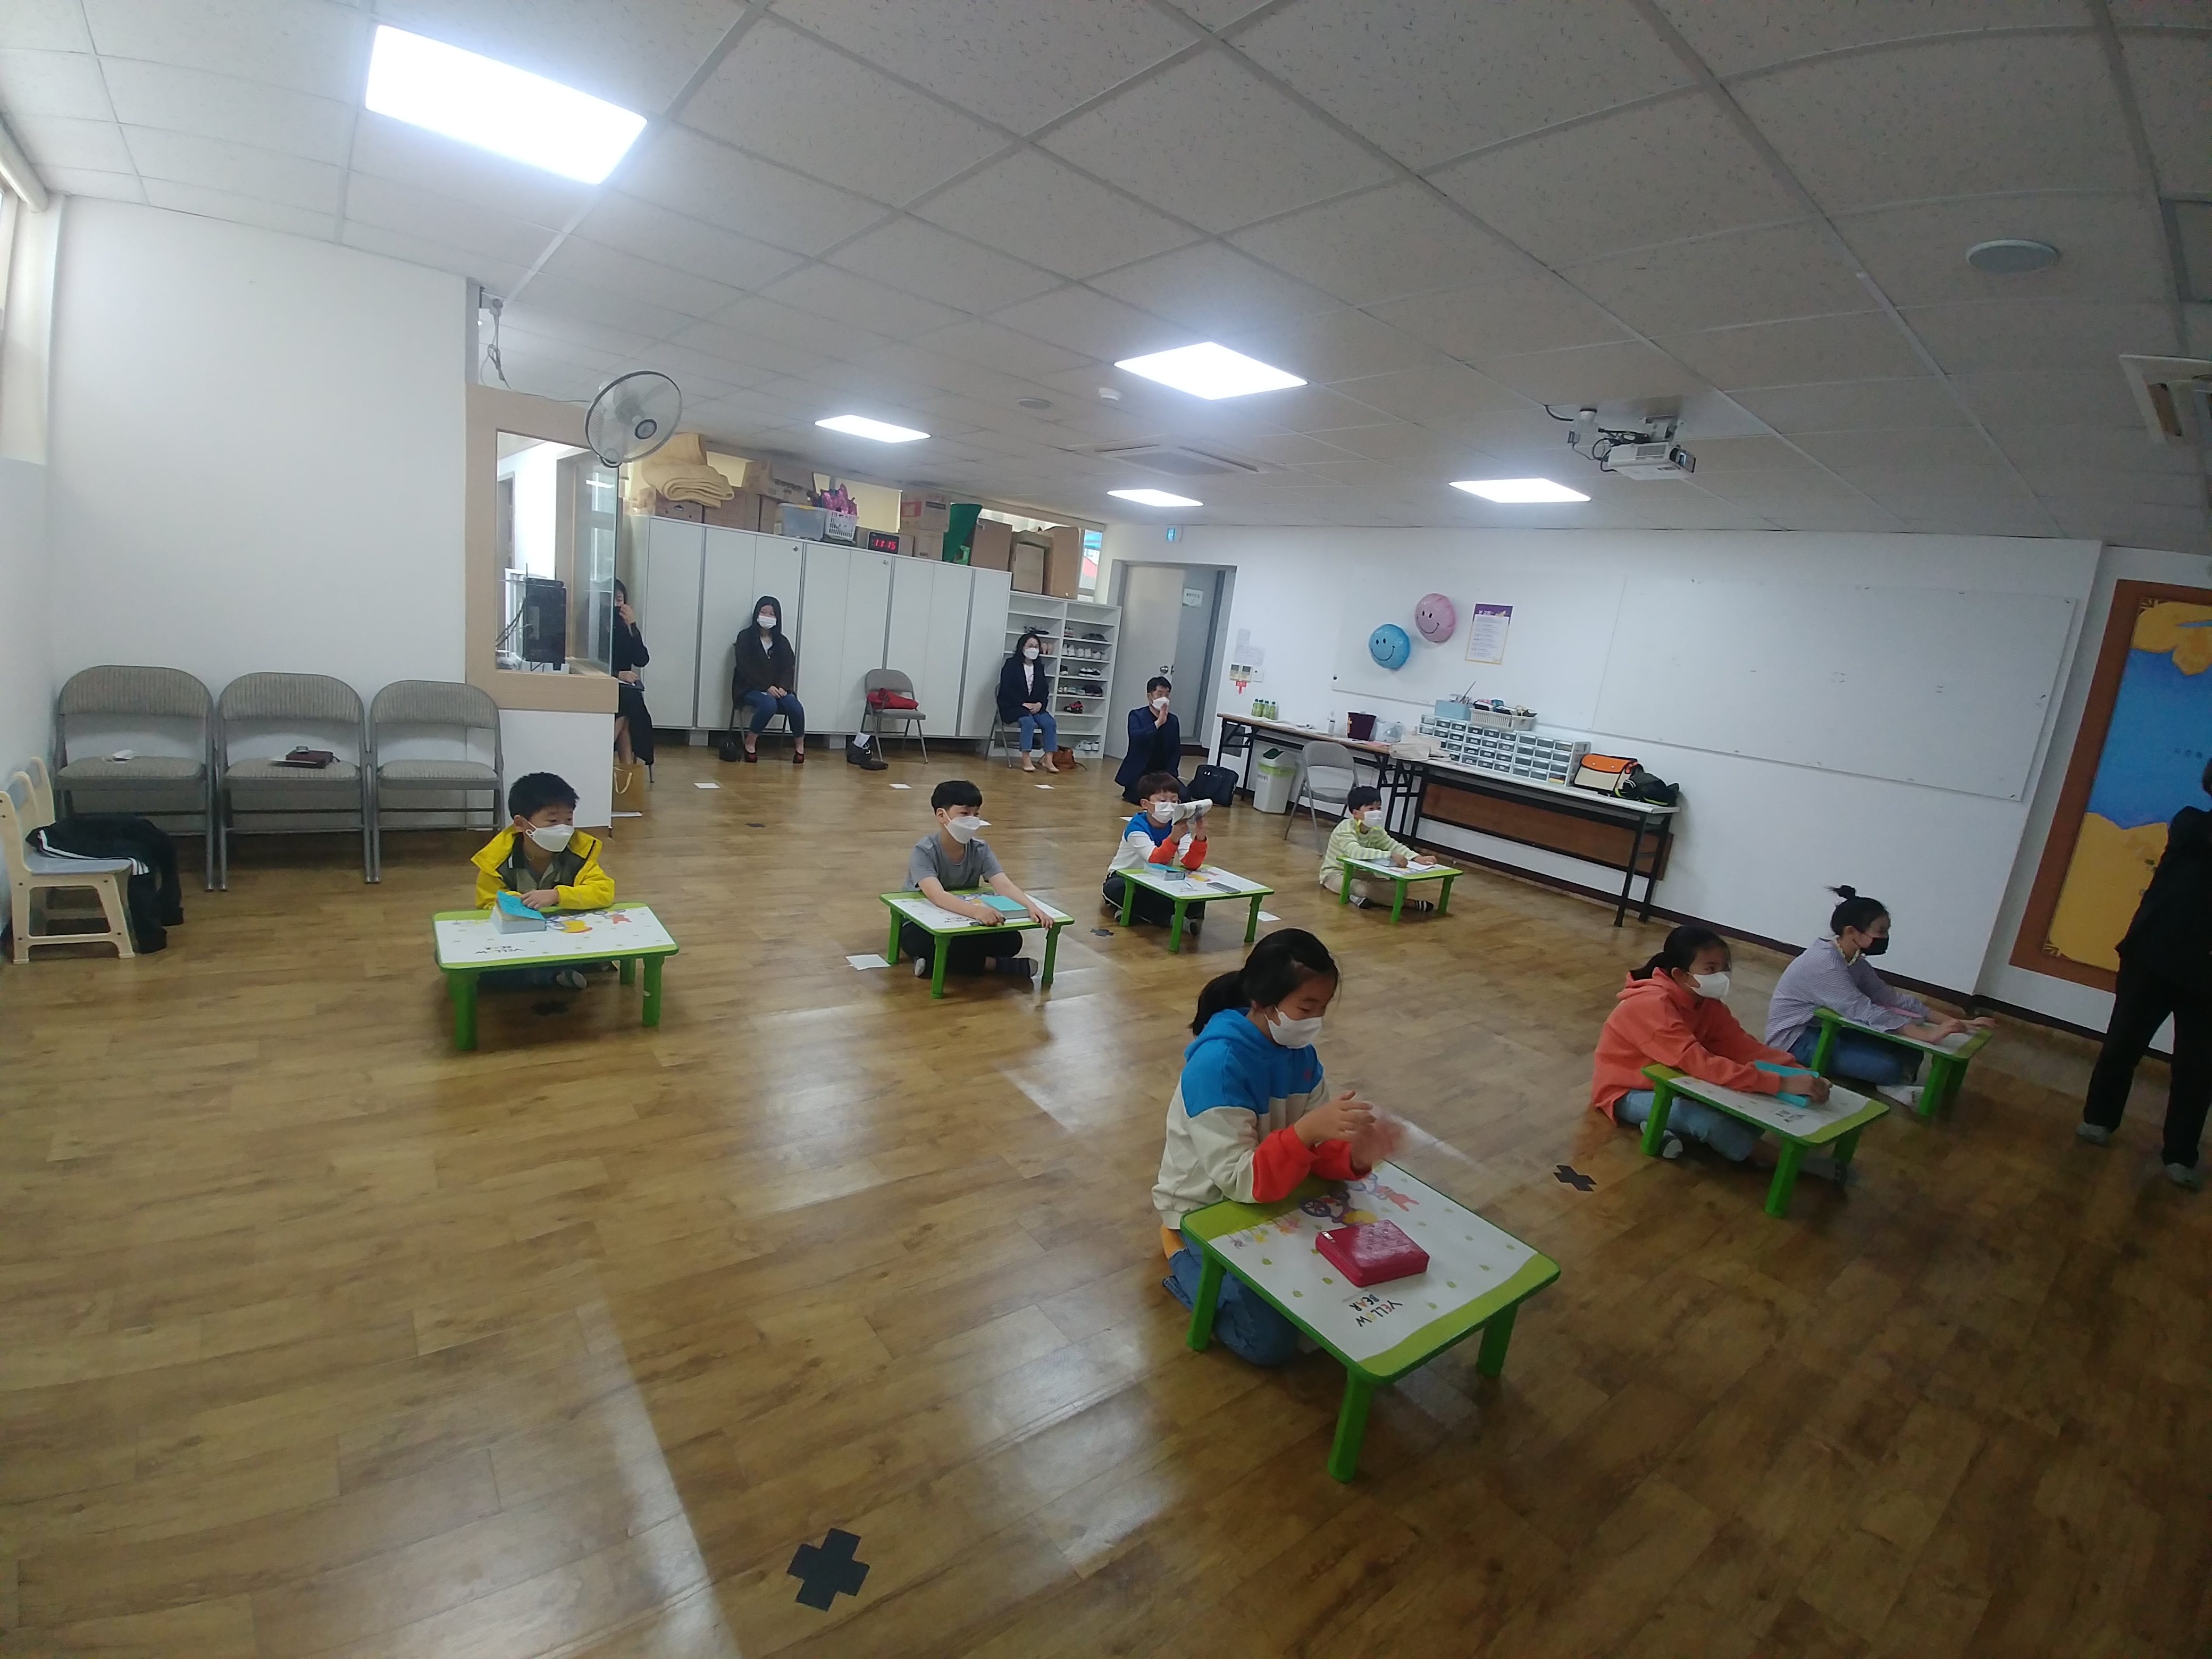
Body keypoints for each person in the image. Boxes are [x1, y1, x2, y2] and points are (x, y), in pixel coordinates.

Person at [1153, 929, 1403, 1366]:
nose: (1315, 1021)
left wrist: (1354, 1155)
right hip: (1207, 1206)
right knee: (1267, 1341)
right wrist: (1306, 1132)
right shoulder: (1217, 1066)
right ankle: (1177, 1249)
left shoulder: (1299, 1055)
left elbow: (1317, 1148)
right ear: (1262, 1001)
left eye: (1323, 1009)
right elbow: (1239, 1180)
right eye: (1307, 1008)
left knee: (1349, 1284)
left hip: (1275, 1191)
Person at [1591, 925, 1840, 1170]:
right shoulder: (1651, 1006)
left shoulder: (1706, 1002)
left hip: (1678, 1080)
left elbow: (1744, 1047)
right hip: (1629, 1090)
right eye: (1710, 969)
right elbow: (1700, 1063)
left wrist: (1800, 1072)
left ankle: (1663, 1128)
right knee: (1707, 1120)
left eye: (1724, 968)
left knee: (1748, 1107)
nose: (1720, 977)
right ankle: (1790, 1163)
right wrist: (1781, 1083)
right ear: (1680, 975)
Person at [2078, 759, 2212, 1189]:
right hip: (2152, 956)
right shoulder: (2192, 823)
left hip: (2206, 974)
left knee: (2197, 1068)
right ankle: (2099, 1120)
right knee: (2123, 1044)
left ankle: (2180, 1154)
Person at [1766, 885, 1990, 1105]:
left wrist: (1955, 1022)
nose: (1886, 937)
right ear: (1851, 932)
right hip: (1796, 1039)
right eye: (1881, 931)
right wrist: (1925, 1034)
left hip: (1828, 1028)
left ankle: (1893, 1083)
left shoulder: (1854, 959)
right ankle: (1892, 1082)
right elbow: (1863, 1009)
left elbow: (1887, 997)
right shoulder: (1826, 965)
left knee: (1912, 1051)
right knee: (1889, 1067)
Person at [470, 772, 614, 992]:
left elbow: (603, 891)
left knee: (604, 940)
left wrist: (557, 895)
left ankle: (548, 974)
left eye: (569, 820)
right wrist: (517, 903)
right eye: (553, 821)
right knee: (475, 961)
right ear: (520, 824)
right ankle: (553, 975)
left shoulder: (578, 852)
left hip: (563, 935)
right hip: (518, 938)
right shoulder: (497, 860)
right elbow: (487, 903)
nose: (563, 828)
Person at [902, 780, 1055, 983]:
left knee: (1012, 940)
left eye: (976, 814)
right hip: (924, 921)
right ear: (941, 815)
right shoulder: (924, 850)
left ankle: (936, 962)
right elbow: (937, 895)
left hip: (964, 920)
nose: (972, 820)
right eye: (965, 814)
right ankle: (995, 965)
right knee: (916, 940)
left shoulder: (980, 849)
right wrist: (977, 912)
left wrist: (1031, 906)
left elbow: (1003, 884)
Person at [1105, 770, 1209, 931]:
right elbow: (1155, 859)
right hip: (1127, 878)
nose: (1170, 805)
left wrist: (1200, 838)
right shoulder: (1136, 828)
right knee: (1116, 890)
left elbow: (1191, 864)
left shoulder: (1178, 826)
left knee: (1197, 901)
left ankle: (1133, 912)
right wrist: (1173, 838)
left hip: (1159, 880)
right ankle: (1168, 919)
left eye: (1174, 801)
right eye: (1163, 801)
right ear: (1145, 804)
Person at [1321, 785, 1448, 909]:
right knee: (1363, 888)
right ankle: (1406, 904)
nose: (1376, 812)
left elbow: (1392, 845)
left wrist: (1416, 857)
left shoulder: (1376, 829)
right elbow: (1355, 852)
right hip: (1336, 874)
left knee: (1399, 889)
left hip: (1362, 873)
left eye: (1379, 808)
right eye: (1371, 809)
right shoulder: (1345, 828)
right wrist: (1389, 855)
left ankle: (1360, 898)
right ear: (1356, 813)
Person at [728, 594, 804, 763]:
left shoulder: (782, 642)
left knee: (794, 705)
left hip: (778, 689)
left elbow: (789, 667)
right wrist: (766, 687)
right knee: (769, 704)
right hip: (750, 689)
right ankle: (750, 742)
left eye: (772, 614)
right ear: (757, 614)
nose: (767, 617)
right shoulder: (745, 638)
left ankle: (800, 747)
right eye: (764, 612)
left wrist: (783, 687)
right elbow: (744, 668)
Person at [997, 629, 1060, 774]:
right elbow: (1006, 688)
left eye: (1036, 647)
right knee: (1028, 722)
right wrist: (1022, 703)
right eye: (1030, 646)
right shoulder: (1011, 664)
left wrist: (1040, 704)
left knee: (1050, 723)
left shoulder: (1039, 667)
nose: (1034, 649)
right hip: (1014, 706)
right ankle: (1026, 759)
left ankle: (1048, 760)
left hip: (1035, 707)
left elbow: (1044, 690)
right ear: (1022, 647)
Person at [1115, 677, 1182, 802]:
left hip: (1162, 773)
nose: (1164, 699)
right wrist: (1158, 723)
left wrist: (1171, 776)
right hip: (1141, 772)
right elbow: (1136, 738)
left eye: (1167, 695)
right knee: (1146, 797)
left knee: (1183, 796)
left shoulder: (1173, 720)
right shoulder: (1136, 715)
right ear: (1150, 696)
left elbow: (1175, 750)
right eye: (1160, 694)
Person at [610, 579, 653, 768]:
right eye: (613, 600)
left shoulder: (624, 627)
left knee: (628, 706)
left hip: (625, 688)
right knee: (628, 706)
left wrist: (632, 626)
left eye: (620, 600)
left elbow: (642, 659)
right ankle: (625, 767)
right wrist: (617, 674)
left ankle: (624, 769)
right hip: (606, 683)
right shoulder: (593, 624)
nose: (617, 605)